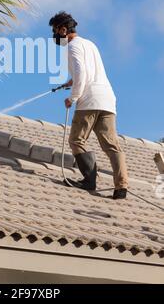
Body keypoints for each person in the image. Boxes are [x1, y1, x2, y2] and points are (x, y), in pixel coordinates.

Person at [49, 11, 129, 200]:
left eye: (55, 31)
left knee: (76, 140)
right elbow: (89, 72)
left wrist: (73, 96)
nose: (54, 36)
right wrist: (71, 82)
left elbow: (82, 73)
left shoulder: (72, 47)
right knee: (111, 145)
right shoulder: (89, 44)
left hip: (89, 99)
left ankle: (89, 180)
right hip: (107, 99)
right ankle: (121, 187)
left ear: (63, 29)